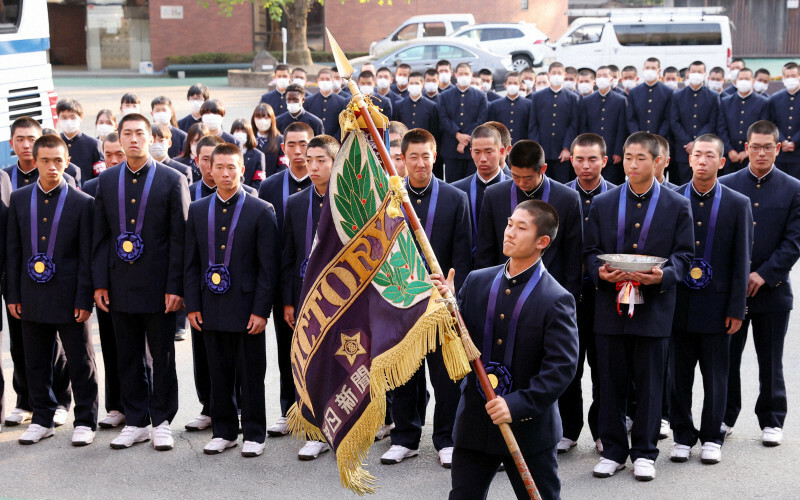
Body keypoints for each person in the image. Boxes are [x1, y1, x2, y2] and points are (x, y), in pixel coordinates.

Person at [435, 199, 578, 500]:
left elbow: (561, 369)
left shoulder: (556, 298)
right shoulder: (477, 281)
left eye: (521, 228)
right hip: (475, 421)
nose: (510, 232)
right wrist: (445, 309)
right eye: (510, 223)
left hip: (529, 428)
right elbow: (457, 344)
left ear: (542, 241)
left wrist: (517, 405)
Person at [586, 131, 694, 482]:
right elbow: (589, 253)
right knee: (609, 380)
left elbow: (685, 255)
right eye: (628, 157)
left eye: (641, 158)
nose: (633, 164)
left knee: (649, 383)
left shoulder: (677, 204)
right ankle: (614, 450)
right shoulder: (604, 202)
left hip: (654, 308)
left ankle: (645, 451)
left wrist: (662, 276)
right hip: (610, 306)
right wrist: (600, 273)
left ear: (658, 161)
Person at [92, 113, 189, 451]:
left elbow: (180, 239)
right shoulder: (106, 181)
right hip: (119, 285)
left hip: (159, 286)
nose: (133, 139)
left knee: (161, 356)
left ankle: (161, 420)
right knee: (127, 355)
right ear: (118, 139)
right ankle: (135, 420)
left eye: (139, 133)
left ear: (151, 138)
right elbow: (101, 238)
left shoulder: (171, 180)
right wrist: (100, 283)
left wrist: (176, 287)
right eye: (127, 134)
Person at [381, 129, 471, 469]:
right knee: (404, 374)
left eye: (426, 156)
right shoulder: (389, 198)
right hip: (400, 299)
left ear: (436, 157)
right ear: (401, 159)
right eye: (412, 157)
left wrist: (453, 291)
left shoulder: (454, 198)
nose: (420, 163)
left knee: (445, 376)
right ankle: (404, 437)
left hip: (440, 300)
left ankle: (446, 439)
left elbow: (463, 254)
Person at [184, 143, 278, 457]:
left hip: (247, 307)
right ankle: (223, 431)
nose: (225, 174)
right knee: (218, 370)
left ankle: (254, 432)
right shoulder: (198, 210)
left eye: (231, 167)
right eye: (218, 167)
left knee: (251, 372)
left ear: (242, 169)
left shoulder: (260, 209)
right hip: (210, 306)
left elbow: (268, 267)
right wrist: (193, 305)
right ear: (207, 168)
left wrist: (261, 310)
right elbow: (191, 262)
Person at [7, 134, 99, 446]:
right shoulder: (19, 199)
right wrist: (13, 295)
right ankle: (42, 416)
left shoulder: (83, 202)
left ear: (67, 162)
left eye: (58, 161)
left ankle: (85, 419)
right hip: (31, 294)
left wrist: (84, 297)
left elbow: (88, 256)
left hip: (70, 296)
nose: (52, 167)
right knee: (34, 359)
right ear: (34, 162)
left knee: (80, 359)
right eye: (45, 161)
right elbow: (13, 252)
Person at [669, 134, 753, 465]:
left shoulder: (737, 203)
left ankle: (712, 436)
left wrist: (737, 308)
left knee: (717, 375)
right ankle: (681, 435)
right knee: (677, 375)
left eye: (710, 156)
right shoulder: (673, 198)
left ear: (722, 162)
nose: (702, 161)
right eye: (697, 155)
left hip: (718, 307)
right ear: (689, 159)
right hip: (678, 303)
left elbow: (741, 260)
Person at [720, 120, 800, 447]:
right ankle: (724, 415)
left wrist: (765, 274)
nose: (762, 152)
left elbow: (794, 241)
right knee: (727, 358)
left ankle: (772, 418)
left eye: (769, 146)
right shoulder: (727, 184)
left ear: (778, 149)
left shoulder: (794, 188)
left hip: (773, 291)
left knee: (770, 358)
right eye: (756, 146)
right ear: (746, 147)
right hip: (733, 293)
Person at [3, 118, 73, 429]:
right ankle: (26, 400)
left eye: (31, 138)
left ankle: (60, 399)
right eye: (20, 139)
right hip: (22, 276)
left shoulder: (60, 175)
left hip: (55, 276)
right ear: (12, 143)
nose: (25, 144)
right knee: (21, 344)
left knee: (55, 344)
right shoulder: (7, 179)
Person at [281, 134, 340, 460]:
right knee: (312, 364)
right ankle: (315, 429)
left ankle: (347, 427)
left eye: (321, 160)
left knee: (345, 362)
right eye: (309, 159)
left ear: (335, 163)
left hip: (343, 299)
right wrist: (290, 301)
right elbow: (288, 258)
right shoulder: (295, 202)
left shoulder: (353, 201)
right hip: (307, 301)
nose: (312, 166)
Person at [558, 133, 615, 455]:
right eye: (579, 159)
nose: (585, 165)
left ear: (604, 161)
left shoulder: (618, 196)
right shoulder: (561, 196)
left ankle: (604, 429)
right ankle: (567, 430)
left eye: (592, 159)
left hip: (607, 294)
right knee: (568, 365)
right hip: (569, 294)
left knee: (606, 367)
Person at [257, 121, 313, 438]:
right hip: (285, 284)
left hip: (322, 286)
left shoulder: (330, 185)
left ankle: (317, 413)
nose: (298, 151)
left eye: (303, 144)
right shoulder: (270, 187)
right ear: (283, 149)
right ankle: (287, 411)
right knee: (286, 351)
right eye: (291, 145)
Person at [476, 140, 583, 303]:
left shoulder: (567, 198)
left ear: (543, 169)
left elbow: (573, 255)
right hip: (503, 288)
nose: (521, 183)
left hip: (550, 291)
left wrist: (570, 298)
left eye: (527, 178)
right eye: (515, 176)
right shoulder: (494, 195)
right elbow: (485, 250)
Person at [81, 132, 127, 430]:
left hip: (141, 280)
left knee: (142, 350)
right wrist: (98, 283)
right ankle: (116, 406)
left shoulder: (151, 182)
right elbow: (94, 242)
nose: (112, 160)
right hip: (109, 281)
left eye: (118, 154)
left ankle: (145, 408)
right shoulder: (92, 188)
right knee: (111, 345)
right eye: (108, 154)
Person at [452, 124, 510, 261]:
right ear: (471, 152)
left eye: (489, 152)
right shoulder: (456, 191)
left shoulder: (514, 189)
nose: (483, 158)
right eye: (477, 152)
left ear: (501, 151)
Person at [670, 61, 721, 185]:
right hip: (684, 150)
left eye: (699, 72)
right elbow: (675, 122)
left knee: (704, 184)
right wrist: (687, 143)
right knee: (683, 185)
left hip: (705, 150)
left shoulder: (713, 96)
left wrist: (697, 143)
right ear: (688, 74)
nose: (696, 74)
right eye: (693, 71)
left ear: (704, 74)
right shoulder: (678, 96)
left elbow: (712, 122)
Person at [529, 62, 580, 183]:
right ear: (548, 75)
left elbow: (573, 124)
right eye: (553, 73)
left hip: (562, 152)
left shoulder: (572, 97)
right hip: (542, 150)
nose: (556, 76)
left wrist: (567, 148)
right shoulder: (538, 97)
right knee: (542, 183)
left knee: (562, 184)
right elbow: (533, 124)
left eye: (559, 73)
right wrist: (536, 148)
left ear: (564, 75)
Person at [437, 62, 488, 182]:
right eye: (461, 73)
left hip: (472, 149)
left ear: (471, 75)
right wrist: (457, 135)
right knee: (452, 184)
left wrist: (465, 140)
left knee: (473, 183)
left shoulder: (481, 96)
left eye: (466, 74)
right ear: (455, 75)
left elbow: (481, 120)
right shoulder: (445, 96)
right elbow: (443, 118)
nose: (463, 76)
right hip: (451, 148)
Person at [578, 65, 627, 184]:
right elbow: (584, 127)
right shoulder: (587, 100)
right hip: (593, 152)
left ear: (611, 79)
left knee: (613, 184)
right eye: (599, 76)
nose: (602, 78)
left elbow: (622, 128)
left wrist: (618, 151)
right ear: (595, 81)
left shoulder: (620, 100)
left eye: (605, 76)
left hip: (612, 153)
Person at [717, 68, 770, 175]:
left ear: (753, 81)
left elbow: (763, 129)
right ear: (735, 82)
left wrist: (747, 151)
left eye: (747, 78)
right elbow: (721, 128)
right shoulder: (726, 102)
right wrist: (729, 150)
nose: (744, 81)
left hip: (753, 155)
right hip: (729, 156)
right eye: (741, 79)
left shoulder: (762, 102)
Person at [57, 98, 105, 182]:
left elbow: (99, 178)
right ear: (58, 118)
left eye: (72, 117)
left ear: (81, 117)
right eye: (64, 117)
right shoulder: (55, 143)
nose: (68, 121)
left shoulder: (94, 145)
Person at [626, 58, 672, 142]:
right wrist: (638, 136)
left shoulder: (667, 92)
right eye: (647, 68)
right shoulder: (634, 92)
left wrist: (658, 137)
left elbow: (668, 119)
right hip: (639, 140)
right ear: (643, 69)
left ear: (659, 70)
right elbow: (631, 118)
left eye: (653, 68)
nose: (650, 70)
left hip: (660, 141)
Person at [769, 62, 800, 179]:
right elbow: (772, 123)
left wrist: (795, 142)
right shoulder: (775, 98)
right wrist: (782, 141)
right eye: (787, 76)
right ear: (783, 77)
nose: (790, 79)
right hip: (780, 153)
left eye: (793, 76)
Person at [488, 72, 531, 146]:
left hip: (522, 146)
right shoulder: (495, 105)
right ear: (505, 85)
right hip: (502, 146)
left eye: (515, 83)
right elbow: (492, 128)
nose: (512, 85)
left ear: (520, 85)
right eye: (510, 83)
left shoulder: (528, 104)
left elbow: (530, 128)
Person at [304, 68, 348, 140]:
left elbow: (343, 125)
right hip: (313, 142)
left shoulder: (342, 102)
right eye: (322, 79)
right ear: (318, 81)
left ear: (332, 80)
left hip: (335, 143)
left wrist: (333, 140)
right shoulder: (308, 101)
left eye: (327, 79)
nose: (324, 81)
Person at [394, 72, 440, 140]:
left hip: (423, 142)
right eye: (411, 83)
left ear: (422, 84)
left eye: (417, 83)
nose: (414, 85)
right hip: (404, 142)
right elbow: (396, 127)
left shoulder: (431, 106)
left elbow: (434, 130)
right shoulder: (399, 104)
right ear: (408, 84)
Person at [230, 118, 267, 189]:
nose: (240, 134)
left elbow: (259, 181)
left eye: (243, 131)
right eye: (237, 131)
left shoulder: (258, 155)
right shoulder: (227, 153)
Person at [250, 103, 285, 178]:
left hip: (274, 182)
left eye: (266, 118)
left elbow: (283, 166)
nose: (262, 121)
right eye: (258, 118)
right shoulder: (249, 139)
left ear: (272, 119)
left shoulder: (280, 139)